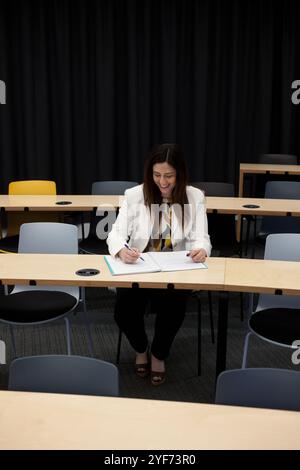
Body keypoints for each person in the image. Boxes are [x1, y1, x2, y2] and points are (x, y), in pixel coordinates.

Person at [107, 143, 211, 385]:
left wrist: (201, 250)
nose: (162, 183)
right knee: (123, 312)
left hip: (176, 270)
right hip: (140, 268)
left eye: (169, 176)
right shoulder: (134, 195)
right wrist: (122, 250)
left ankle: (158, 354)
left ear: (180, 174)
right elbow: (115, 234)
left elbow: (202, 238)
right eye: (157, 175)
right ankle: (141, 348)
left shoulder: (194, 196)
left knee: (174, 307)